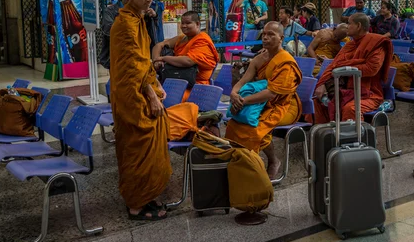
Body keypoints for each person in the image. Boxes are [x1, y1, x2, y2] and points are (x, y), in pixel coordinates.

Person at [110, 0, 171, 221]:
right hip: (132, 97)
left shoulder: (137, 20)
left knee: (145, 146)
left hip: (139, 89)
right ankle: (136, 204)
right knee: (138, 145)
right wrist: (151, 96)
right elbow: (133, 65)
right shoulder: (125, 23)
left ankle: (146, 195)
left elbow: (143, 59)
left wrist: (155, 82)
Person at [225, 21, 302, 179]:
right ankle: (242, 165)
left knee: (255, 128)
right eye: (264, 34)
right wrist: (234, 93)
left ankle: (272, 162)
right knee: (233, 123)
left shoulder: (286, 62)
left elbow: (271, 94)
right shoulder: (260, 57)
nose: (265, 38)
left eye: (271, 35)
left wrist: (242, 102)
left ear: (281, 38)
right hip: (259, 103)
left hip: (284, 106)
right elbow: (244, 80)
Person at [313, 13, 392, 122]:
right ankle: (329, 136)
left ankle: (354, 138)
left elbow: (371, 69)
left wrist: (345, 66)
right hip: (346, 90)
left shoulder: (376, 43)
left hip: (369, 94)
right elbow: (334, 65)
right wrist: (321, 84)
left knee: (350, 108)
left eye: (349, 23)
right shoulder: (350, 45)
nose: (346, 26)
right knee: (318, 102)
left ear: (358, 26)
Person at [152, 11, 219, 100]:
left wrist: (164, 58)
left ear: (197, 24)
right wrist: (156, 60)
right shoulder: (182, 38)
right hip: (176, 80)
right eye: (182, 23)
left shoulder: (202, 40)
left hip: (195, 87)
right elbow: (158, 45)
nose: (184, 26)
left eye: (188, 23)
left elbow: (188, 61)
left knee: (161, 98)